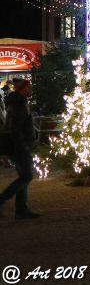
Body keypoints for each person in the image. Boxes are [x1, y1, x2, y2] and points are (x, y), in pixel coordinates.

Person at [0, 79, 39, 219]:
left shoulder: (19, 103)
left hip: (18, 146)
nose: (31, 90)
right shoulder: (18, 105)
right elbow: (14, 129)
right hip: (19, 148)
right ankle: (3, 200)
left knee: (24, 177)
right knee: (27, 176)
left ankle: (21, 209)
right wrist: (23, 145)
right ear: (22, 89)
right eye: (29, 87)